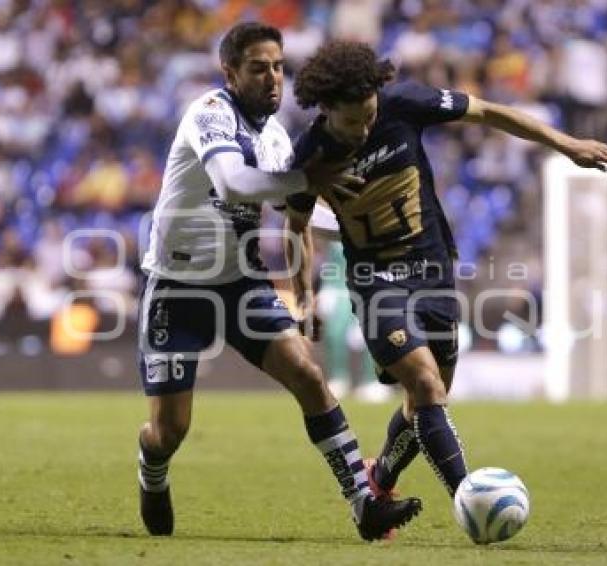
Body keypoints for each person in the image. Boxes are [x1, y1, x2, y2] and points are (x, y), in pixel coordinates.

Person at [285, 41, 607, 510]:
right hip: (376, 279)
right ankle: (473, 499)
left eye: (368, 115)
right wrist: (302, 294)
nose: (364, 128)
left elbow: (486, 112)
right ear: (325, 111)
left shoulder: (403, 104)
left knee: (428, 398)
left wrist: (567, 145)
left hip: (433, 267)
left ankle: (380, 475)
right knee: (424, 383)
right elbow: (296, 225)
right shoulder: (310, 154)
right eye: (351, 122)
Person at [136, 24, 421, 541]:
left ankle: (364, 503)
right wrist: (309, 180)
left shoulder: (274, 138)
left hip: (243, 284)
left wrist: (373, 236)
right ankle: (150, 468)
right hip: (177, 287)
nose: (272, 78)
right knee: (169, 431)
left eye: (278, 67)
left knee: (309, 377)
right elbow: (233, 181)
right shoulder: (209, 114)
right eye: (258, 67)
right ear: (229, 72)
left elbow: (297, 212)